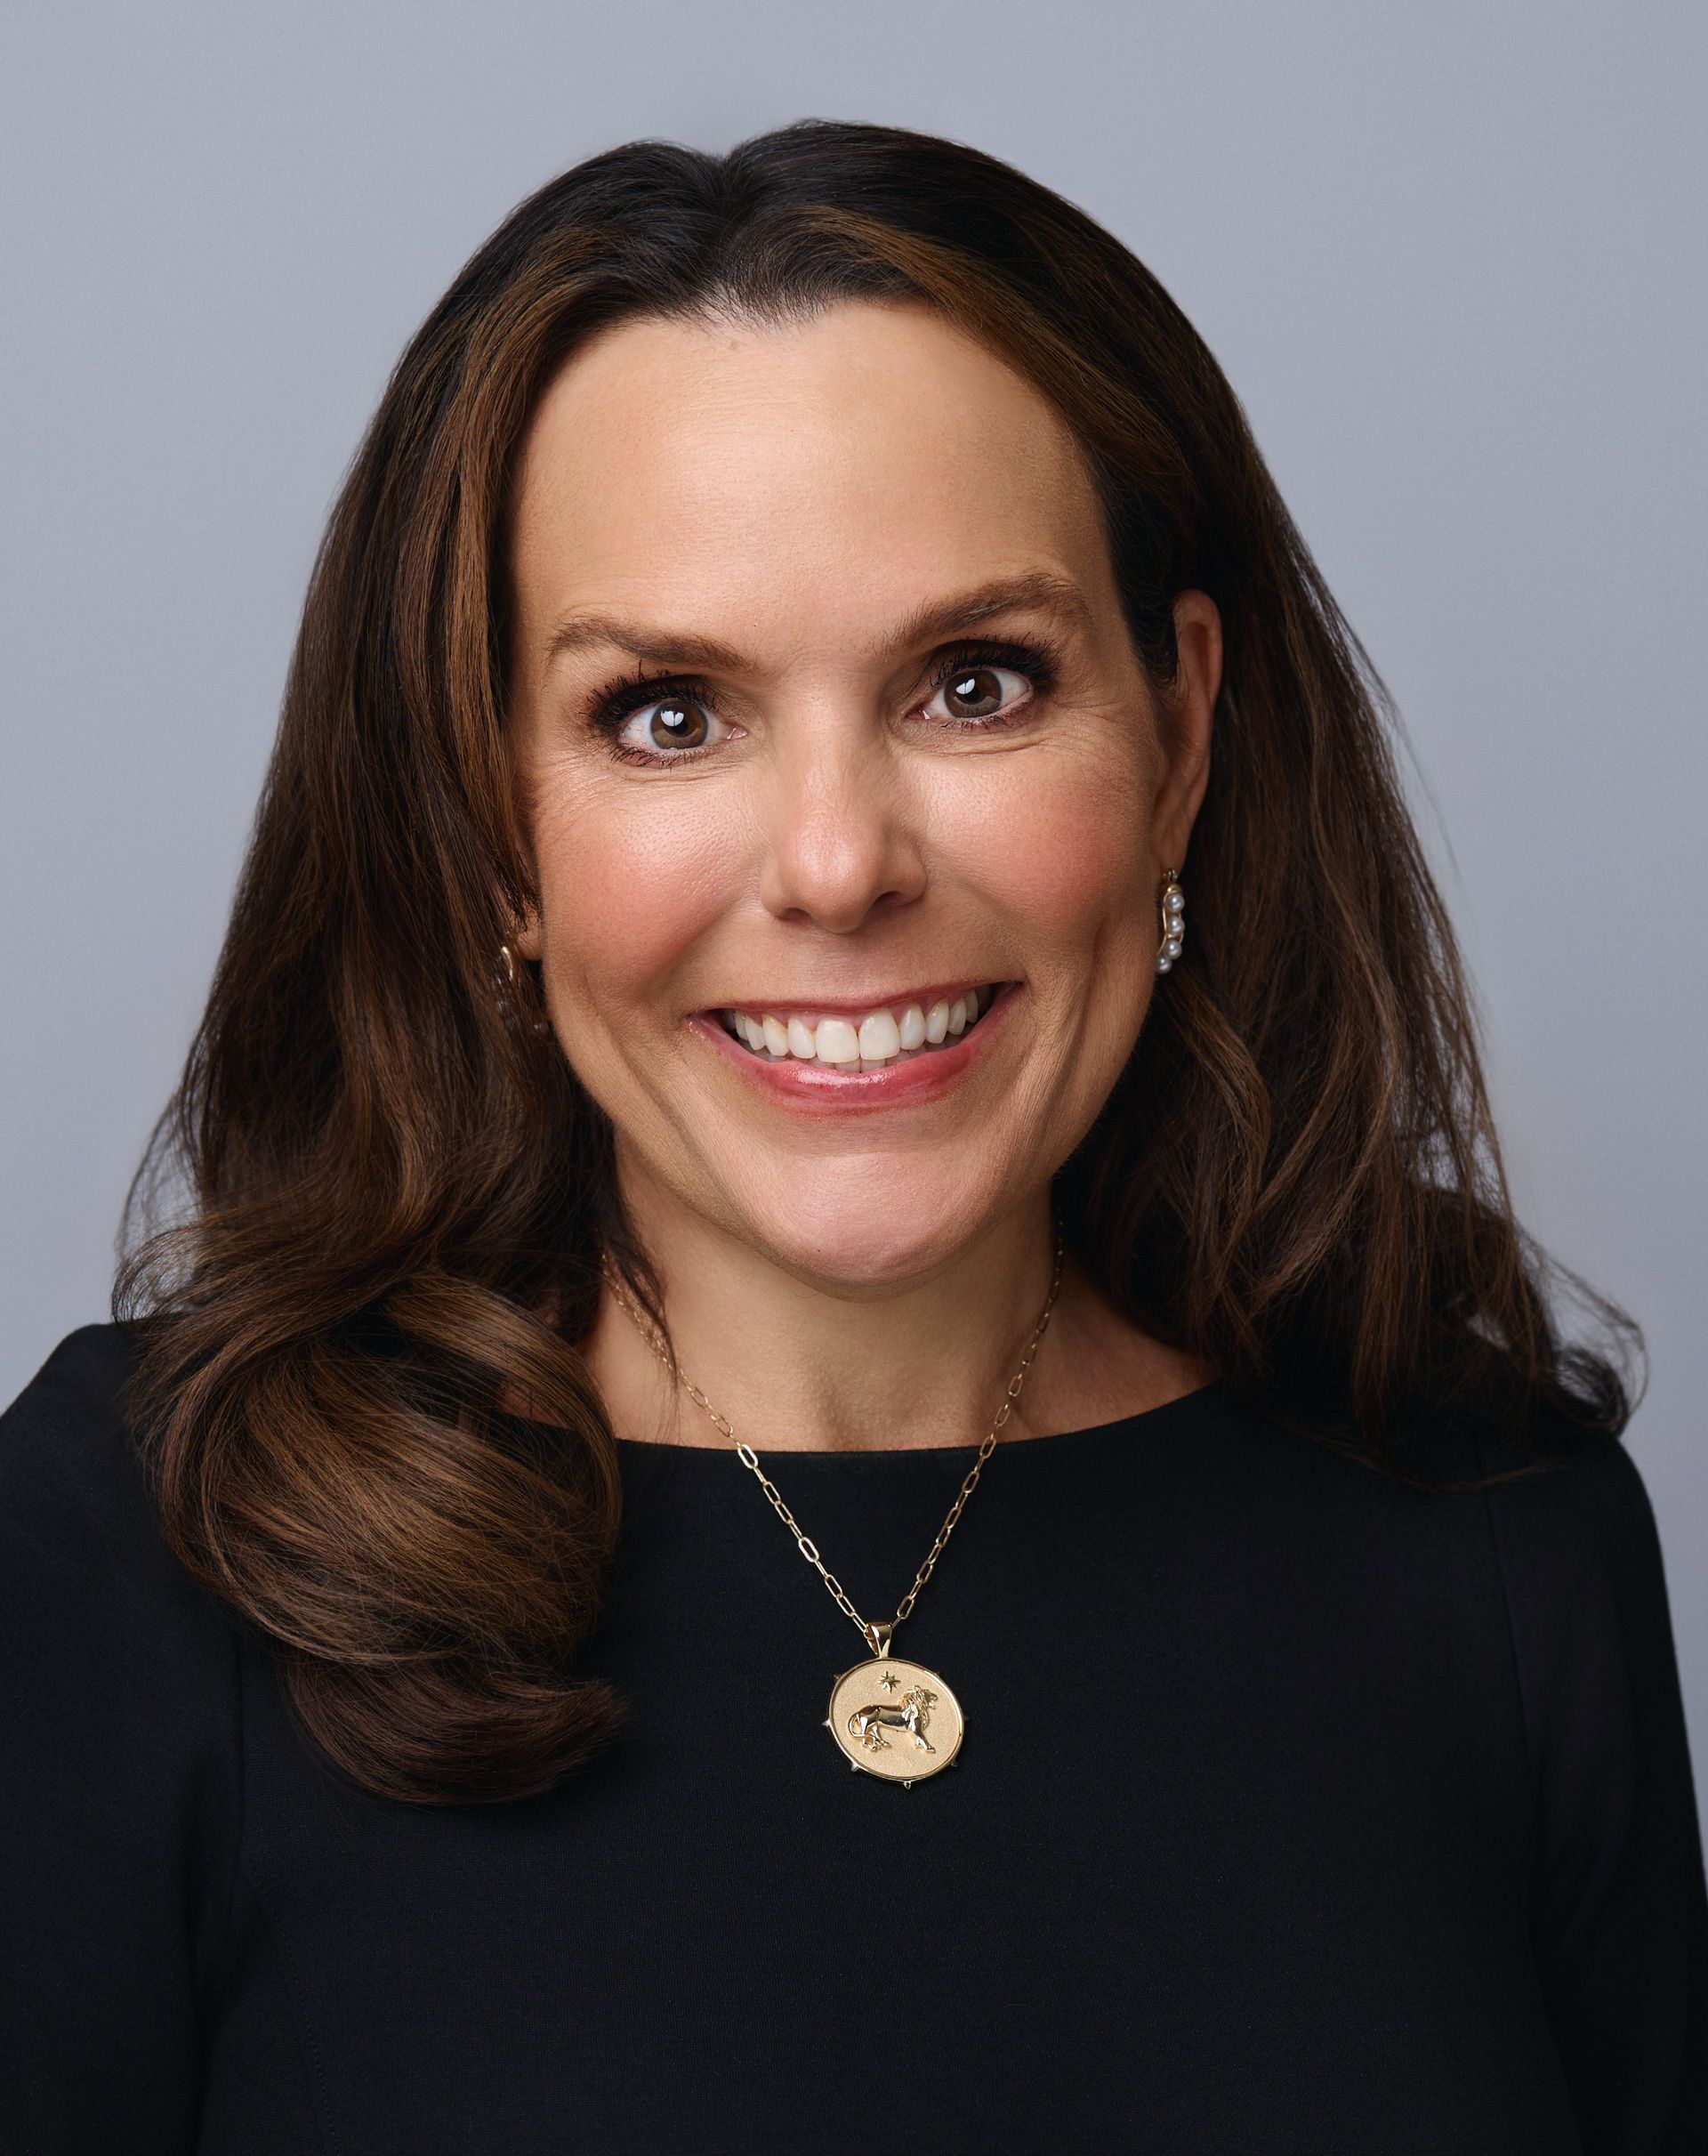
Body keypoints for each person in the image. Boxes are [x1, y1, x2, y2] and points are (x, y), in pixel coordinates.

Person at [3, 117, 1703, 2153]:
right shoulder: (149, 1552)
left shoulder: (1502, 1542)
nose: (835, 865)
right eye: (666, 714)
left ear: (1178, 734)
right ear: (486, 830)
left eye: (975, 683)